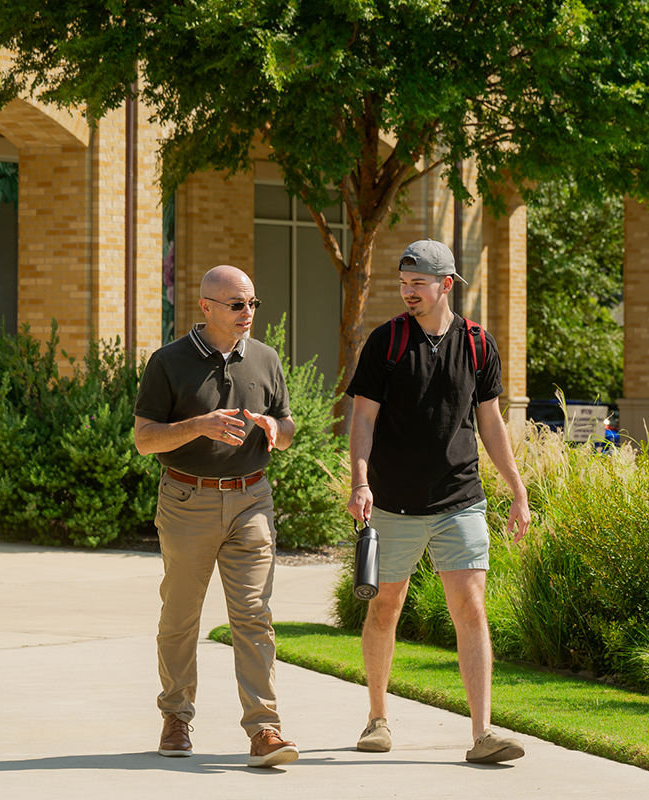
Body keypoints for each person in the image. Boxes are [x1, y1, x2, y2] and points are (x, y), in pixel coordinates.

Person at [345, 239, 532, 764]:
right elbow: (362, 417)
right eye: (403, 284)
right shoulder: (387, 342)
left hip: (460, 499)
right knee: (385, 609)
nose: (408, 293)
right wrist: (360, 481)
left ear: (445, 284)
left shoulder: (477, 343)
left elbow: (490, 421)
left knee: (471, 609)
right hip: (394, 504)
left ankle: (483, 733)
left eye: (418, 284)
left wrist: (517, 489)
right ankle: (377, 718)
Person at [133, 264, 300, 769]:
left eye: (252, 304)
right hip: (188, 501)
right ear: (206, 307)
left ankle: (264, 730)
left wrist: (275, 426)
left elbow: (289, 427)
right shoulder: (168, 363)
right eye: (237, 305)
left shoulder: (266, 359)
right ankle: (176, 716)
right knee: (181, 615)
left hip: (252, 500)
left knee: (254, 615)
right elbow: (144, 440)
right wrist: (200, 425)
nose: (247, 313)